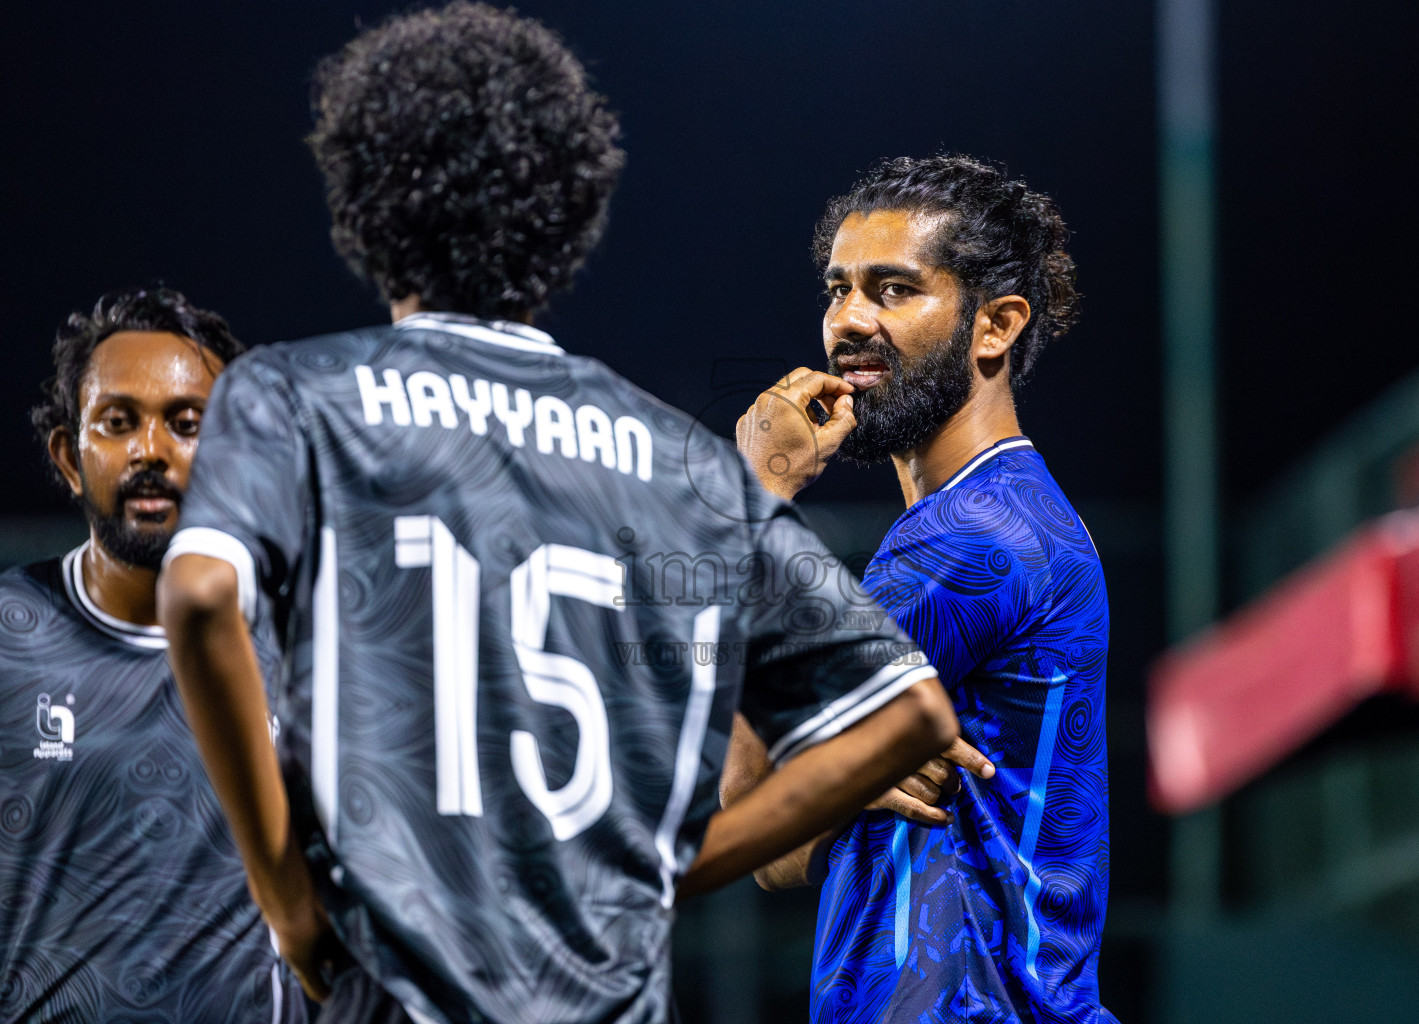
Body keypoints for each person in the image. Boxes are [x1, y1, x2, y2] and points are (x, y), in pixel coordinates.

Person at [156, 5, 957, 1023]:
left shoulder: (296, 396)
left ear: (364, 197)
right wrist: (674, 867)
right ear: (567, 210)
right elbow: (911, 712)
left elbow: (198, 590)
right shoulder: (675, 457)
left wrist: (287, 902)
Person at [729, 155, 1117, 1023]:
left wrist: (755, 498)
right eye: (839, 290)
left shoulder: (972, 538)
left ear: (995, 326)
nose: (849, 322)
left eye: (895, 290)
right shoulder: (992, 514)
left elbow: (753, 812)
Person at [0, 288, 306, 1022]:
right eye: (117, 422)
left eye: (186, 423)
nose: (150, 451)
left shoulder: (305, 642)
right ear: (69, 458)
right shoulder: (8, 635)